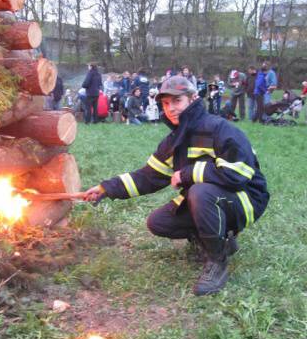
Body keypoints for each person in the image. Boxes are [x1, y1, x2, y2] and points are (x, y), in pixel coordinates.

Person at [84, 76, 269, 296]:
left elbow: (239, 172)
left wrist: (188, 173)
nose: (170, 108)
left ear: (192, 99)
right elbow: (147, 177)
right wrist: (106, 188)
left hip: (246, 198)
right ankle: (217, 241)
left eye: (177, 101)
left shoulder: (219, 128)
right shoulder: (174, 141)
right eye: (165, 103)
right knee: (158, 222)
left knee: (200, 192)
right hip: (210, 199)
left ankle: (217, 262)